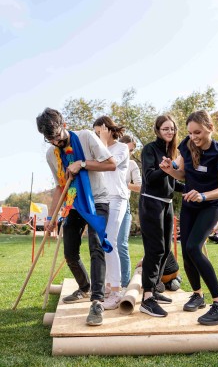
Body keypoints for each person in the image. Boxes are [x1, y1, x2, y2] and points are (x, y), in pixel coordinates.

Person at [36, 108, 116, 326]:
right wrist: (51, 217)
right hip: (73, 202)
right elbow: (59, 186)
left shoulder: (86, 137)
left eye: (57, 135)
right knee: (70, 252)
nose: (55, 141)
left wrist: (81, 164)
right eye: (49, 139)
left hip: (98, 199)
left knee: (96, 246)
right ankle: (84, 287)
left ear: (65, 123)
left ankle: (97, 302)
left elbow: (111, 164)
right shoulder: (51, 154)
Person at [160, 109, 218, 326]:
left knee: (193, 247)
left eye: (198, 132)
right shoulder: (186, 145)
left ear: (210, 128)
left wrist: (203, 195)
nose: (194, 137)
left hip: (210, 207)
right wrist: (168, 170)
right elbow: (181, 173)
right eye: (191, 133)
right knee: (186, 251)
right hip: (190, 206)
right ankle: (198, 295)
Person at [139, 114, 184, 318]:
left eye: (172, 129)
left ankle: (155, 290)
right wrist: (167, 169)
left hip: (167, 205)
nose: (169, 132)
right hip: (151, 202)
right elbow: (149, 178)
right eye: (165, 128)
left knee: (166, 249)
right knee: (154, 250)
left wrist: (197, 188)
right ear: (157, 130)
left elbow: (173, 184)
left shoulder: (171, 152)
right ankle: (147, 298)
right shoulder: (149, 149)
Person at [93, 116, 129, 309]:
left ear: (108, 129)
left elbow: (111, 162)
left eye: (99, 132)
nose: (97, 136)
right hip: (103, 199)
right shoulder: (99, 148)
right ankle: (109, 286)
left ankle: (116, 291)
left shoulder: (121, 148)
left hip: (118, 198)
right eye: (96, 133)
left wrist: (104, 142)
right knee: (103, 241)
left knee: (110, 242)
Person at [117, 135, 142, 293]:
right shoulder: (109, 160)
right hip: (107, 205)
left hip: (124, 205)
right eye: (128, 149)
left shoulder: (132, 164)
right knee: (105, 245)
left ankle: (125, 283)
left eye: (132, 150)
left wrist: (122, 183)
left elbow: (140, 187)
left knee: (121, 244)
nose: (130, 153)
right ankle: (108, 283)